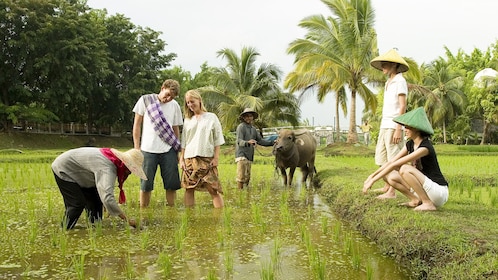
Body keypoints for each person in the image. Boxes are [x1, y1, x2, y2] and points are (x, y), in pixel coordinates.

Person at [362, 108, 449, 211]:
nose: (405, 130)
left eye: (407, 127)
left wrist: (373, 181)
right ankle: (415, 200)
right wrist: (371, 176)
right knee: (390, 177)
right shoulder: (410, 144)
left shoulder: (425, 147)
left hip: (438, 192)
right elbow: (391, 162)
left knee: (405, 168)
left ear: (416, 128)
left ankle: (427, 203)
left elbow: (396, 165)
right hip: (424, 188)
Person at [52, 147, 147, 229]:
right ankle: (64, 229)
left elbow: (103, 191)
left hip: (84, 174)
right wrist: (127, 220)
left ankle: (94, 228)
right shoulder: (108, 167)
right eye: (130, 170)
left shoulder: (112, 159)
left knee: (96, 203)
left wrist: (106, 204)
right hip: (64, 169)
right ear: (125, 165)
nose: (129, 173)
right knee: (77, 204)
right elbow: (107, 197)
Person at [132, 79, 183, 208]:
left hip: (168, 150)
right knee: (146, 185)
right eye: (167, 95)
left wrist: (178, 151)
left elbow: (175, 129)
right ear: (162, 88)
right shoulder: (145, 100)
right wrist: (137, 148)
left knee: (171, 185)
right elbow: (137, 126)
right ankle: (144, 211)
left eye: (171, 97)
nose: (168, 99)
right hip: (148, 150)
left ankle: (172, 210)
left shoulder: (175, 106)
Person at [370, 49, 409, 198]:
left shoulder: (400, 81)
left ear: (393, 65)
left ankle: (392, 192)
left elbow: (402, 105)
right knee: (382, 158)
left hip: (394, 125)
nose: (382, 67)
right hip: (385, 124)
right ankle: (387, 186)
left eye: (385, 64)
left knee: (394, 159)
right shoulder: (389, 82)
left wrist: (399, 127)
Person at [179, 89, 225, 208]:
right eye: (188, 103)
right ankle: (190, 218)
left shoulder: (211, 117)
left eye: (192, 101)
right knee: (189, 189)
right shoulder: (188, 120)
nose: (190, 105)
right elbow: (184, 141)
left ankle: (220, 216)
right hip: (189, 158)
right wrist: (181, 159)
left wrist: (216, 157)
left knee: (213, 189)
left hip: (206, 158)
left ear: (199, 100)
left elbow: (217, 139)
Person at [235, 108, 275, 189]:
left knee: (247, 176)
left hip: (249, 155)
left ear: (253, 117)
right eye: (246, 116)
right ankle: (240, 194)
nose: (248, 118)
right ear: (243, 117)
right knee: (241, 175)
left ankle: (245, 193)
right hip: (241, 154)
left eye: (250, 116)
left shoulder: (253, 129)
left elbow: (261, 141)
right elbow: (239, 141)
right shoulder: (241, 127)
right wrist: (247, 142)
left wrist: (272, 143)